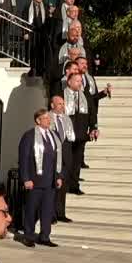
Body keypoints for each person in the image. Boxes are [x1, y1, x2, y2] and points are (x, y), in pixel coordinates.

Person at [18, 109, 63, 247]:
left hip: (50, 181)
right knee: (31, 210)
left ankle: (44, 236)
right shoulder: (29, 136)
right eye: (45, 118)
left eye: (49, 118)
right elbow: (24, 159)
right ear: (38, 120)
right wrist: (25, 178)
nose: (48, 120)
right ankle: (29, 236)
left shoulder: (54, 135)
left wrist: (59, 176)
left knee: (47, 211)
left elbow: (59, 157)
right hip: (35, 181)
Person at [62, 70, 93, 196]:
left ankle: (74, 185)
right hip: (67, 133)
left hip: (80, 131)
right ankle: (65, 185)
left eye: (81, 81)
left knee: (76, 162)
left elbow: (91, 110)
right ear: (69, 81)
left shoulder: (84, 94)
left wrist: (92, 127)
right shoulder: (62, 94)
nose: (80, 83)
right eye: (77, 81)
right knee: (67, 161)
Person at [49, 95, 75, 224]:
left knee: (63, 186)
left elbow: (70, 138)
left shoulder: (66, 119)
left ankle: (60, 213)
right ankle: (51, 214)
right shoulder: (47, 117)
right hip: (53, 155)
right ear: (52, 105)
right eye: (59, 104)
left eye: (63, 104)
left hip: (65, 155)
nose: (62, 106)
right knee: (53, 185)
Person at [24, 0, 50, 77]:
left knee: (41, 51)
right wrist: (25, 32)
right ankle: (31, 69)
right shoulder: (28, 7)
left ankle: (40, 71)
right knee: (31, 51)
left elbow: (48, 21)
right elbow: (24, 20)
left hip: (42, 33)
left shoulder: (45, 6)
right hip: (32, 32)